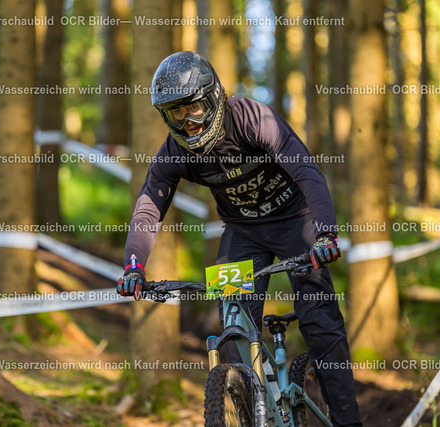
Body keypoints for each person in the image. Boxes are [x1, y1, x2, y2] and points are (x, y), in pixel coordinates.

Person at [116, 51, 361, 426]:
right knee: (232, 332)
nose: (188, 122)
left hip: (296, 222)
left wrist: (326, 232)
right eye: (176, 113)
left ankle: (348, 421)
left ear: (214, 96)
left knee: (319, 320)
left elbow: (307, 171)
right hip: (242, 232)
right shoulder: (175, 152)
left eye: (194, 108)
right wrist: (133, 266)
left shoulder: (252, 119)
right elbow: (150, 205)